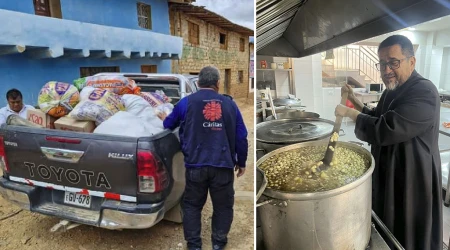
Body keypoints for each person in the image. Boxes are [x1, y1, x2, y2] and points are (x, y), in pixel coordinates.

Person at [335, 35, 442, 250]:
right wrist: (355, 102)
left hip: (413, 175)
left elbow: (386, 128)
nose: (386, 70)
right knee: (389, 223)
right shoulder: (392, 90)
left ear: (412, 61)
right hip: (390, 170)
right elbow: (379, 116)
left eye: (393, 62)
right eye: (382, 63)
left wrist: (349, 112)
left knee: (409, 229)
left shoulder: (424, 91)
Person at [158, 66, 248, 250]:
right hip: (223, 166)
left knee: (192, 206)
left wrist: (164, 116)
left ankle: (194, 245)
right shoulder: (230, 104)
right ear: (218, 84)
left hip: (195, 167)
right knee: (223, 206)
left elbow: (168, 124)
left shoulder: (186, 103)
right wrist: (242, 162)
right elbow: (241, 136)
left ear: (198, 83)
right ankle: (218, 243)